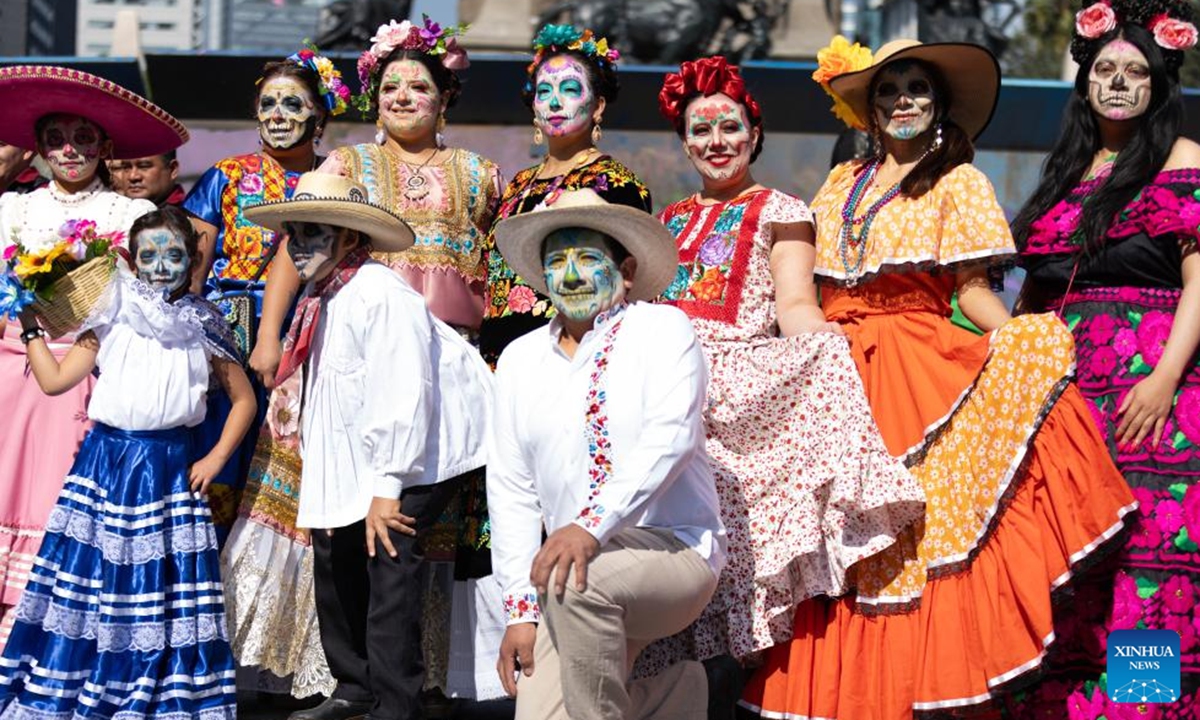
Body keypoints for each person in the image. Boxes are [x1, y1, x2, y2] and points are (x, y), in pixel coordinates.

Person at [741, 38, 1136, 719]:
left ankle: (914, 692)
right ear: (870, 107)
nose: (903, 101)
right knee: (843, 542)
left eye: (917, 88)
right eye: (889, 89)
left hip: (916, 365)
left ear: (939, 103)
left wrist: (1018, 338)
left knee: (917, 538)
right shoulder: (840, 183)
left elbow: (972, 289)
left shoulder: (958, 182)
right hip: (837, 369)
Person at [644, 55, 924, 683]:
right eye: (700, 130)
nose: (716, 141)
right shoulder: (668, 221)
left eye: (729, 127)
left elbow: (795, 304)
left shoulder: (783, 209)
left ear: (754, 133)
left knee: (738, 557)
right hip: (668, 385)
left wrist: (826, 344)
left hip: (741, 386)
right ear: (685, 142)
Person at [247, 20, 501, 701]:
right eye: (391, 86)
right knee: (336, 524)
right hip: (346, 354)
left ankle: (413, 686)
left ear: (445, 99)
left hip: (433, 365)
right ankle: (353, 680)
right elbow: (298, 245)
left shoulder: (479, 174)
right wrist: (270, 334)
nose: (404, 97)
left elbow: (496, 272)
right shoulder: (347, 167)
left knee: (403, 536)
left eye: (420, 86)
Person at [1010, 0, 1200, 714]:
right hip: (1065, 410)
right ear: (1085, 79)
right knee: (1071, 566)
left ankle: (1140, 707)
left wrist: (1165, 378)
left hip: (1152, 408)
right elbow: (1032, 296)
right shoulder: (1063, 175)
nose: (1118, 82)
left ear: (1159, 85)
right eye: (1105, 69)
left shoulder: (1184, 160)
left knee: (1142, 566)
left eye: (1136, 71)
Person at [0, 206, 255, 720]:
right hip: (106, 464)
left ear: (193, 259)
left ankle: (157, 682)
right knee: (93, 577)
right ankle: (86, 675)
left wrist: (215, 457)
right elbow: (54, 381)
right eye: (149, 256)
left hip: (168, 468)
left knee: (161, 583)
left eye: (173, 255)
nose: (161, 266)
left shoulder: (203, 322)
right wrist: (29, 327)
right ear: (132, 261)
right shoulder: (110, 313)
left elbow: (244, 400)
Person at [488, 188, 726, 720]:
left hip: (674, 550)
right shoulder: (520, 359)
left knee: (580, 587)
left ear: (627, 270)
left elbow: (671, 437)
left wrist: (589, 526)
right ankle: (680, 694)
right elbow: (511, 488)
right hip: (571, 571)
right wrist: (519, 611)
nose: (571, 275)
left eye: (587, 258)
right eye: (557, 262)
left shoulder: (662, 330)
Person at [0, 65, 184, 650]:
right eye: (56, 138)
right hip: (10, 369)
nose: (70, 149)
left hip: (86, 369)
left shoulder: (127, 215)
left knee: (59, 496)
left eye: (83, 137)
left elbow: (140, 301)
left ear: (105, 147)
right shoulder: (11, 208)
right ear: (39, 148)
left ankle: (42, 634)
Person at [185, 46, 348, 698]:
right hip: (227, 349)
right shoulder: (225, 176)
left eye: (293, 104)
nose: (278, 114)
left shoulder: (337, 178)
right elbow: (194, 270)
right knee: (220, 489)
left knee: (289, 501)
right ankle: (208, 654)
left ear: (319, 117)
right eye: (268, 104)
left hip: (310, 344)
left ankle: (284, 656)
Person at [479, 23, 651, 367]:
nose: (555, 101)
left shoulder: (616, 183)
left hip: (571, 359)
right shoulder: (518, 184)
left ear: (598, 106)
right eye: (544, 91)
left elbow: (625, 288)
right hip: (500, 364)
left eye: (570, 89)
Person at [109, 150, 185, 207]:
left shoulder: (188, 217)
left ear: (173, 170)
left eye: (143, 166)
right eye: (126, 167)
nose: (132, 176)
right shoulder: (111, 214)